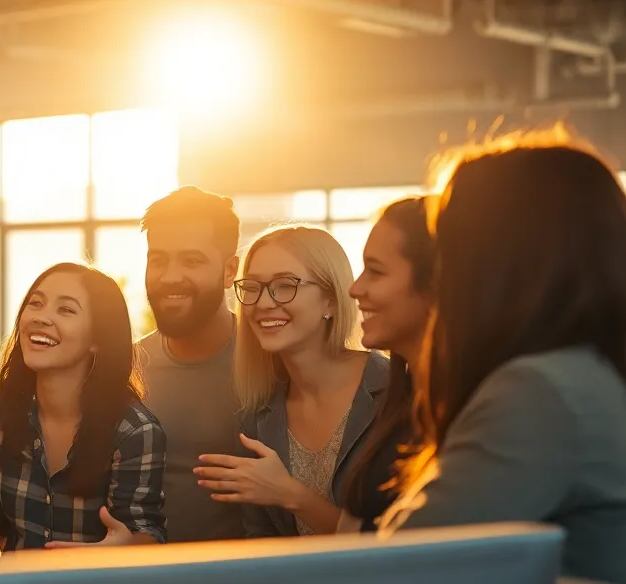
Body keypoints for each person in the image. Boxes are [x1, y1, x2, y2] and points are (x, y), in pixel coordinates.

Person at [381, 131, 626, 584]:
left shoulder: (538, 395)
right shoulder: (596, 377)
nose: (440, 275)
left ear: (495, 261)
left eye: (451, 249)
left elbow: (392, 572)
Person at [194, 226, 387, 536]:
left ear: (332, 301)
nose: (264, 303)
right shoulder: (255, 415)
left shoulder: (395, 392)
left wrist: (291, 495)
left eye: (285, 286)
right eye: (253, 287)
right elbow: (259, 544)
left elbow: (403, 539)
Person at [0, 263, 166, 550]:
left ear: (97, 340)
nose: (42, 317)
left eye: (65, 310)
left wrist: (123, 548)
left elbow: (145, 531)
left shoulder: (135, 430)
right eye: (36, 303)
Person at [135, 186, 244, 542]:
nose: (169, 277)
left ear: (229, 271)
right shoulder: (126, 366)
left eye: (192, 261)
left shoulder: (274, 363)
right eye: (158, 259)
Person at [338, 197, 434, 532]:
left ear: (434, 284)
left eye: (376, 271)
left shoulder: (479, 414)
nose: (355, 288)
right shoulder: (402, 402)